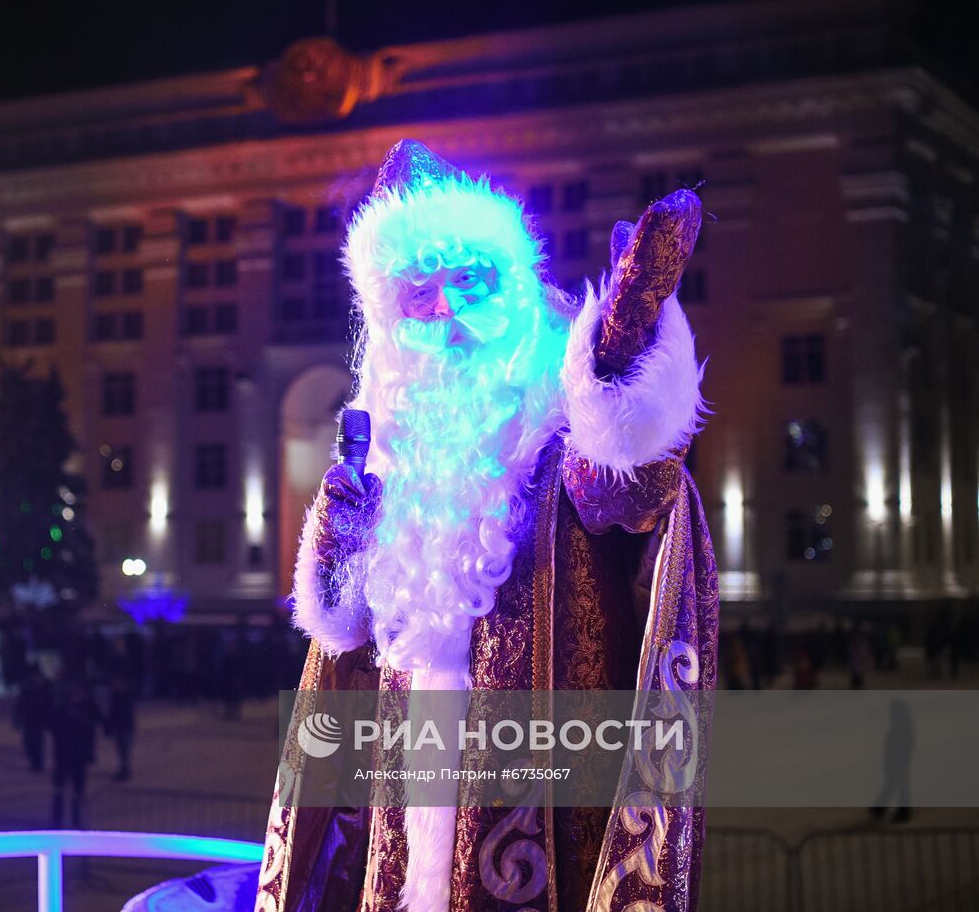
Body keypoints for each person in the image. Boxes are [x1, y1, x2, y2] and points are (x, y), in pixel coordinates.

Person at [257, 141, 717, 912]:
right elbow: (344, 640)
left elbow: (627, 481)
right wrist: (338, 538)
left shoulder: (556, 438)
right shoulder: (392, 467)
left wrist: (626, 346)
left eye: (468, 279)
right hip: (402, 828)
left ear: (512, 285)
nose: (444, 310)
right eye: (418, 292)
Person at [50, 678, 100, 829]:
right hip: (63, 755)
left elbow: (91, 732)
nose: (76, 696)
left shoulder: (88, 710)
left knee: (78, 791)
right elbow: (54, 727)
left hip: (79, 756)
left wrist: (89, 754)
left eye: (79, 693)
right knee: (59, 790)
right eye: (74, 693)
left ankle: (77, 821)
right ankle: (56, 822)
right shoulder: (61, 709)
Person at [13, 668, 53, 773]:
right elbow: (20, 705)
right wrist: (17, 719)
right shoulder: (27, 689)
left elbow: (50, 705)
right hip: (29, 720)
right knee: (29, 742)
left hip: (40, 720)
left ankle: (38, 763)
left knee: (38, 742)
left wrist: (50, 720)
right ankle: (34, 761)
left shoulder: (46, 689)